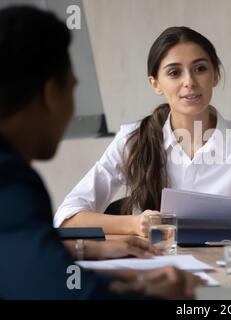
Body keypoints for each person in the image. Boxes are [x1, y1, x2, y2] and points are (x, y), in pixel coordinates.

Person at [0, 5, 202, 299]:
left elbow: (26, 258)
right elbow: (56, 289)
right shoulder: (10, 182)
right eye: (73, 89)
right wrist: (147, 291)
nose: (190, 82)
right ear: (51, 93)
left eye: (200, 68)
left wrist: (93, 253)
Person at [54, 26, 231, 236]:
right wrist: (133, 224)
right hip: (155, 271)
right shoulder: (132, 139)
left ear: (215, 75)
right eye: (174, 73)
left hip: (225, 270)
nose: (189, 82)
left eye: (200, 68)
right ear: (156, 83)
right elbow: (67, 218)